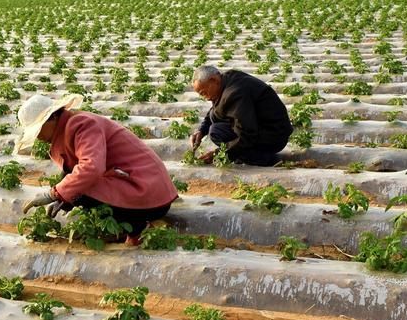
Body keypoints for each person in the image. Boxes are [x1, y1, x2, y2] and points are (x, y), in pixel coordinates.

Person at [15, 94, 178, 245]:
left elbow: (91, 168)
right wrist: (62, 199)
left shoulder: (81, 124)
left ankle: (137, 229)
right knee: (74, 188)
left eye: (38, 130)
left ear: (52, 117)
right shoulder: (70, 127)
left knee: (82, 191)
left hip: (149, 193)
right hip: (141, 189)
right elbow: (71, 171)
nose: (37, 137)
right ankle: (126, 227)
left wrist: (54, 193)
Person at [190, 65, 293, 166]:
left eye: (204, 93)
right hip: (264, 129)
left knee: (216, 132)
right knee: (216, 127)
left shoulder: (235, 92)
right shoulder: (226, 81)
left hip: (274, 136)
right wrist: (201, 130)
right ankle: (248, 155)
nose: (206, 98)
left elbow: (247, 135)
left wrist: (220, 154)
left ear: (214, 80)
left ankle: (265, 159)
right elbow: (215, 110)